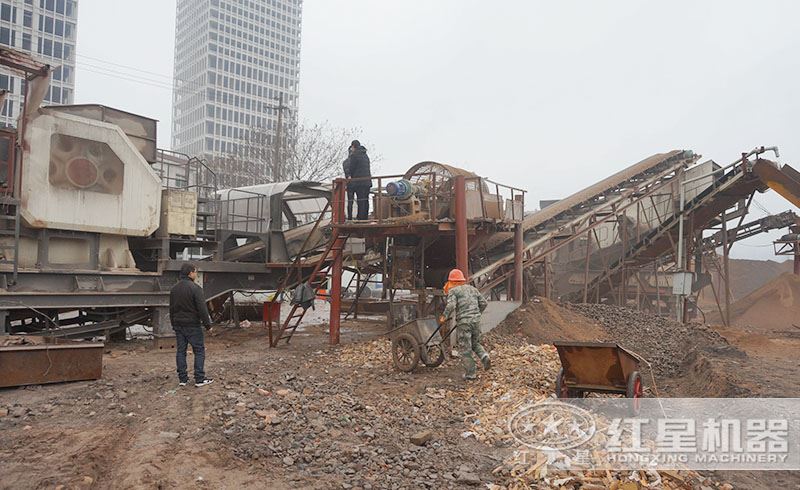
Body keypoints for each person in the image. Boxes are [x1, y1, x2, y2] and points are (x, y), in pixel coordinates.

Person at [169, 263, 214, 387]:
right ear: (190, 273)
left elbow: (171, 308)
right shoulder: (195, 288)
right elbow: (202, 309)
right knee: (199, 350)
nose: (196, 274)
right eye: (195, 272)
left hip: (178, 324)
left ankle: (182, 379)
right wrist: (208, 325)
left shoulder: (174, 289)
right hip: (192, 325)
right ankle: (199, 378)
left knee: (181, 351)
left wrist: (173, 324)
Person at [441, 268, 490, 380]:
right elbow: (484, 303)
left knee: (465, 349)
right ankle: (484, 356)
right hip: (476, 321)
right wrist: (476, 314)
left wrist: (444, 316)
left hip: (464, 323)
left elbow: (451, 306)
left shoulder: (454, 291)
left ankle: (470, 374)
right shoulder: (473, 289)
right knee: (475, 343)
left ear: (451, 281)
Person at [345, 140, 371, 220]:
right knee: (365, 200)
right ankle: (365, 217)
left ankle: (360, 218)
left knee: (360, 200)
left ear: (353, 146)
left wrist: (349, 176)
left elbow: (352, 168)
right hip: (367, 181)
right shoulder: (365, 155)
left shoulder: (354, 155)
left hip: (359, 182)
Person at [342, 148, 356, 221]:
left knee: (350, 201)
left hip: (349, 183)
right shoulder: (354, 161)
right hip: (356, 182)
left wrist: (348, 176)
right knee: (360, 200)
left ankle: (350, 217)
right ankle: (358, 217)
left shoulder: (345, 162)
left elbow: (346, 172)